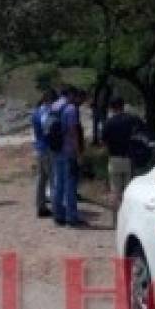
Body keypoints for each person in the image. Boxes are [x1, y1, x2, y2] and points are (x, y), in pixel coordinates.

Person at [101, 96, 144, 228]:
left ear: (112, 107)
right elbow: (142, 130)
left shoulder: (109, 122)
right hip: (128, 159)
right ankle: (129, 221)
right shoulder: (131, 119)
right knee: (129, 192)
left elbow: (103, 141)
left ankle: (116, 222)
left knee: (115, 191)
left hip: (114, 159)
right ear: (122, 105)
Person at [52, 87, 87, 227]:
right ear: (72, 95)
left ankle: (58, 215)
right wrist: (79, 153)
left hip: (57, 150)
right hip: (69, 151)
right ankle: (71, 218)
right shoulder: (70, 109)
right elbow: (73, 133)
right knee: (70, 185)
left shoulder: (55, 106)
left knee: (58, 184)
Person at [31, 88, 57, 218]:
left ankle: (40, 205)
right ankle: (56, 207)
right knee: (52, 179)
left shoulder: (36, 112)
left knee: (41, 179)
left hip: (39, 147)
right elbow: (48, 131)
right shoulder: (47, 113)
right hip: (48, 148)